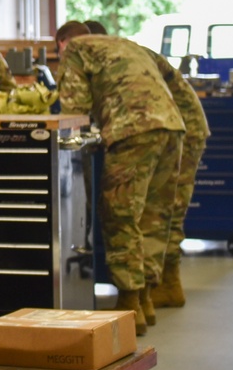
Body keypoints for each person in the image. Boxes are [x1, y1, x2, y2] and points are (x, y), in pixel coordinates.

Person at [55, 21, 186, 333]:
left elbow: (75, 110)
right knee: (151, 217)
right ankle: (147, 301)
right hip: (171, 127)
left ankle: (130, 306)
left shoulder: (74, 49)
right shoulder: (121, 43)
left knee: (120, 216)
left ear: (63, 43)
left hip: (133, 130)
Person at [84, 21, 210, 309]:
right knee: (158, 209)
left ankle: (164, 286)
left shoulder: (124, 55)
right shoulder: (125, 54)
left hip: (180, 128)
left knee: (165, 209)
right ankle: (160, 288)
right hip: (175, 125)